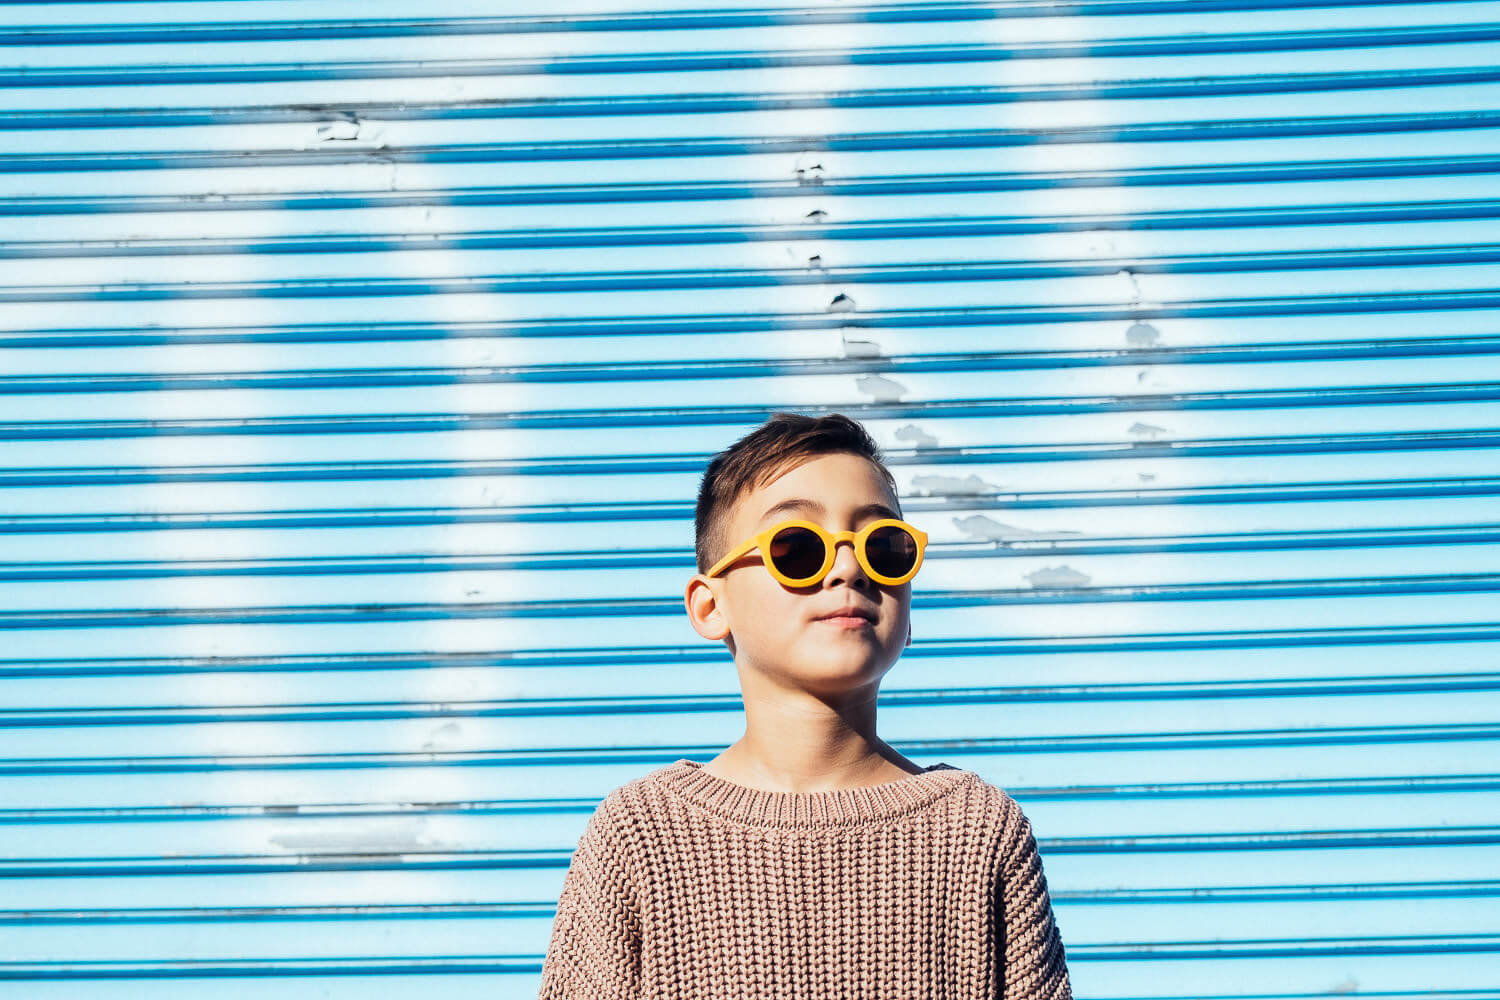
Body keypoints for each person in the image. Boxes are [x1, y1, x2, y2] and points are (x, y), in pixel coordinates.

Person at [537, 411, 1072, 999]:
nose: (849, 569)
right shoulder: (641, 835)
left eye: (884, 549)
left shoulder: (978, 830)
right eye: (797, 548)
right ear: (711, 606)